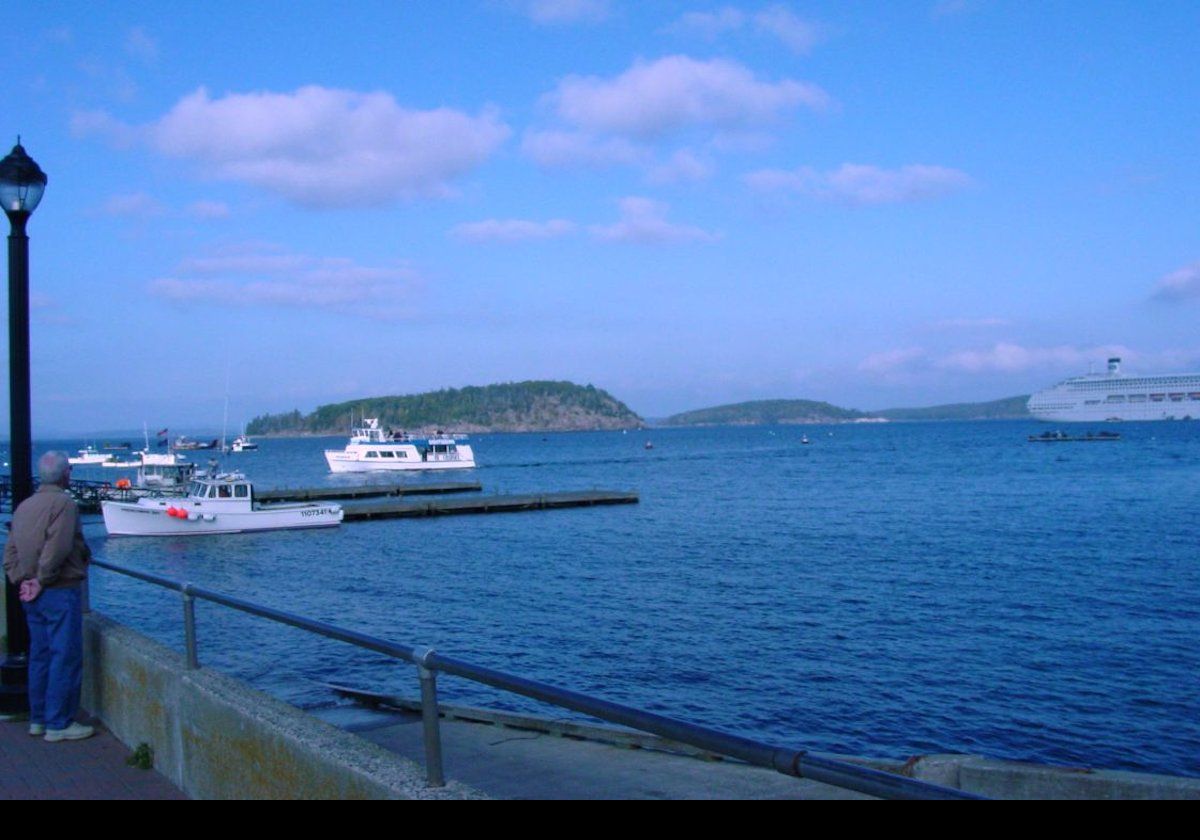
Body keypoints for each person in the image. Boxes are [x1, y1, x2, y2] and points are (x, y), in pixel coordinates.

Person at [3, 451, 94, 741]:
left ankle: (39, 718)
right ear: (66, 474)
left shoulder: (24, 507)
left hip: (31, 592)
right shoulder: (64, 504)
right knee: (64, 656)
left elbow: (10, 553)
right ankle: (59, 723)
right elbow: (58, 548)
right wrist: (42, 580)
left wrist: (23, 580)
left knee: (40, 655)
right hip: (58, 590)